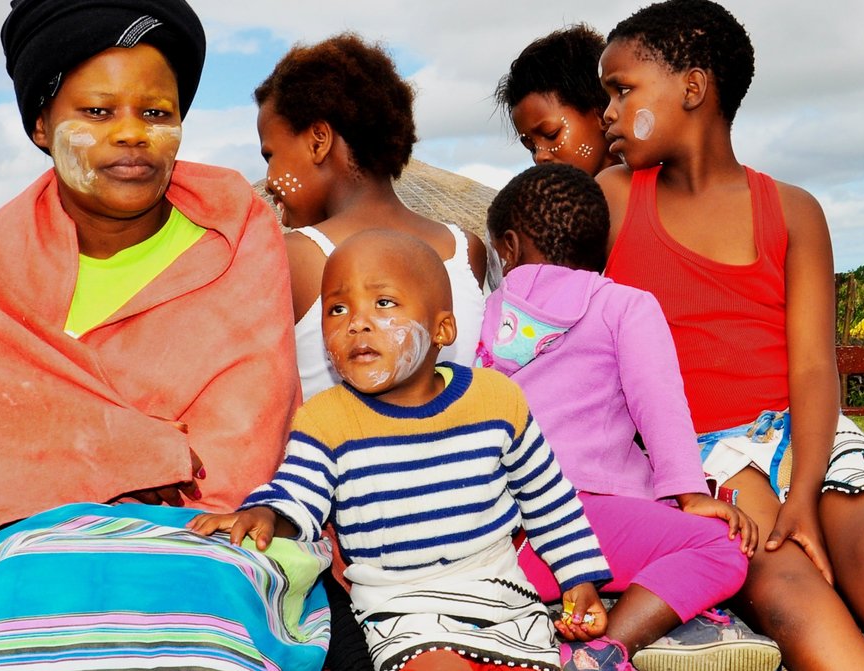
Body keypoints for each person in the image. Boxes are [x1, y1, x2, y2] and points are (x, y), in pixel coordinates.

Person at [0, 1, 326, 669]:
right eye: (97, 111)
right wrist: (146, 453)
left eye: (157, 113)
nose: (132, 133)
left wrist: (100, 463)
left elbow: (244, 442)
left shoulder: (236, 235)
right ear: (40, 124)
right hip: (16, 553)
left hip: (210, 539)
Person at [592, 1, 864, 668]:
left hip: (808, 433)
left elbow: (815, 368)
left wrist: (806, 492)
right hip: (700, 455)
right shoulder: (615, 199)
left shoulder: (793, 211)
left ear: (693, 87)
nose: (608, 113)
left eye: (622, 90)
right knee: (790, 591)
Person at [189, 230, 612, 671]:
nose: (357, 323)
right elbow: (299, 492)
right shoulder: (326, 420)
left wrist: (578, 578)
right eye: (338, 309)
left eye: (384, 303)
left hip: (504, 603)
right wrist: (265, 514)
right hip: (402, 614)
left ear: (442, 329)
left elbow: (548, 498)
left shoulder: (495, 399)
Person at [479, 164, 764, 671]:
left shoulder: (480, 317)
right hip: (584, 525)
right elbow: (659, 403)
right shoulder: (623, 304)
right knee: (722, 548)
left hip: (500, 541)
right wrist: (691, 494)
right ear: (602, 247)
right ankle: (603, 651)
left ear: (509, 247)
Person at [256, 33, 492, 402]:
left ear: (319, 140)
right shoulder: (465, 249)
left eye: (270, 155)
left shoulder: (293, 257)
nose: (270, 180)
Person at [497, 25, 619, 176]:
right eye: (532, 149)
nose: (539, 157)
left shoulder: (643, 184)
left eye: (551, 134)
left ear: (602, 114)